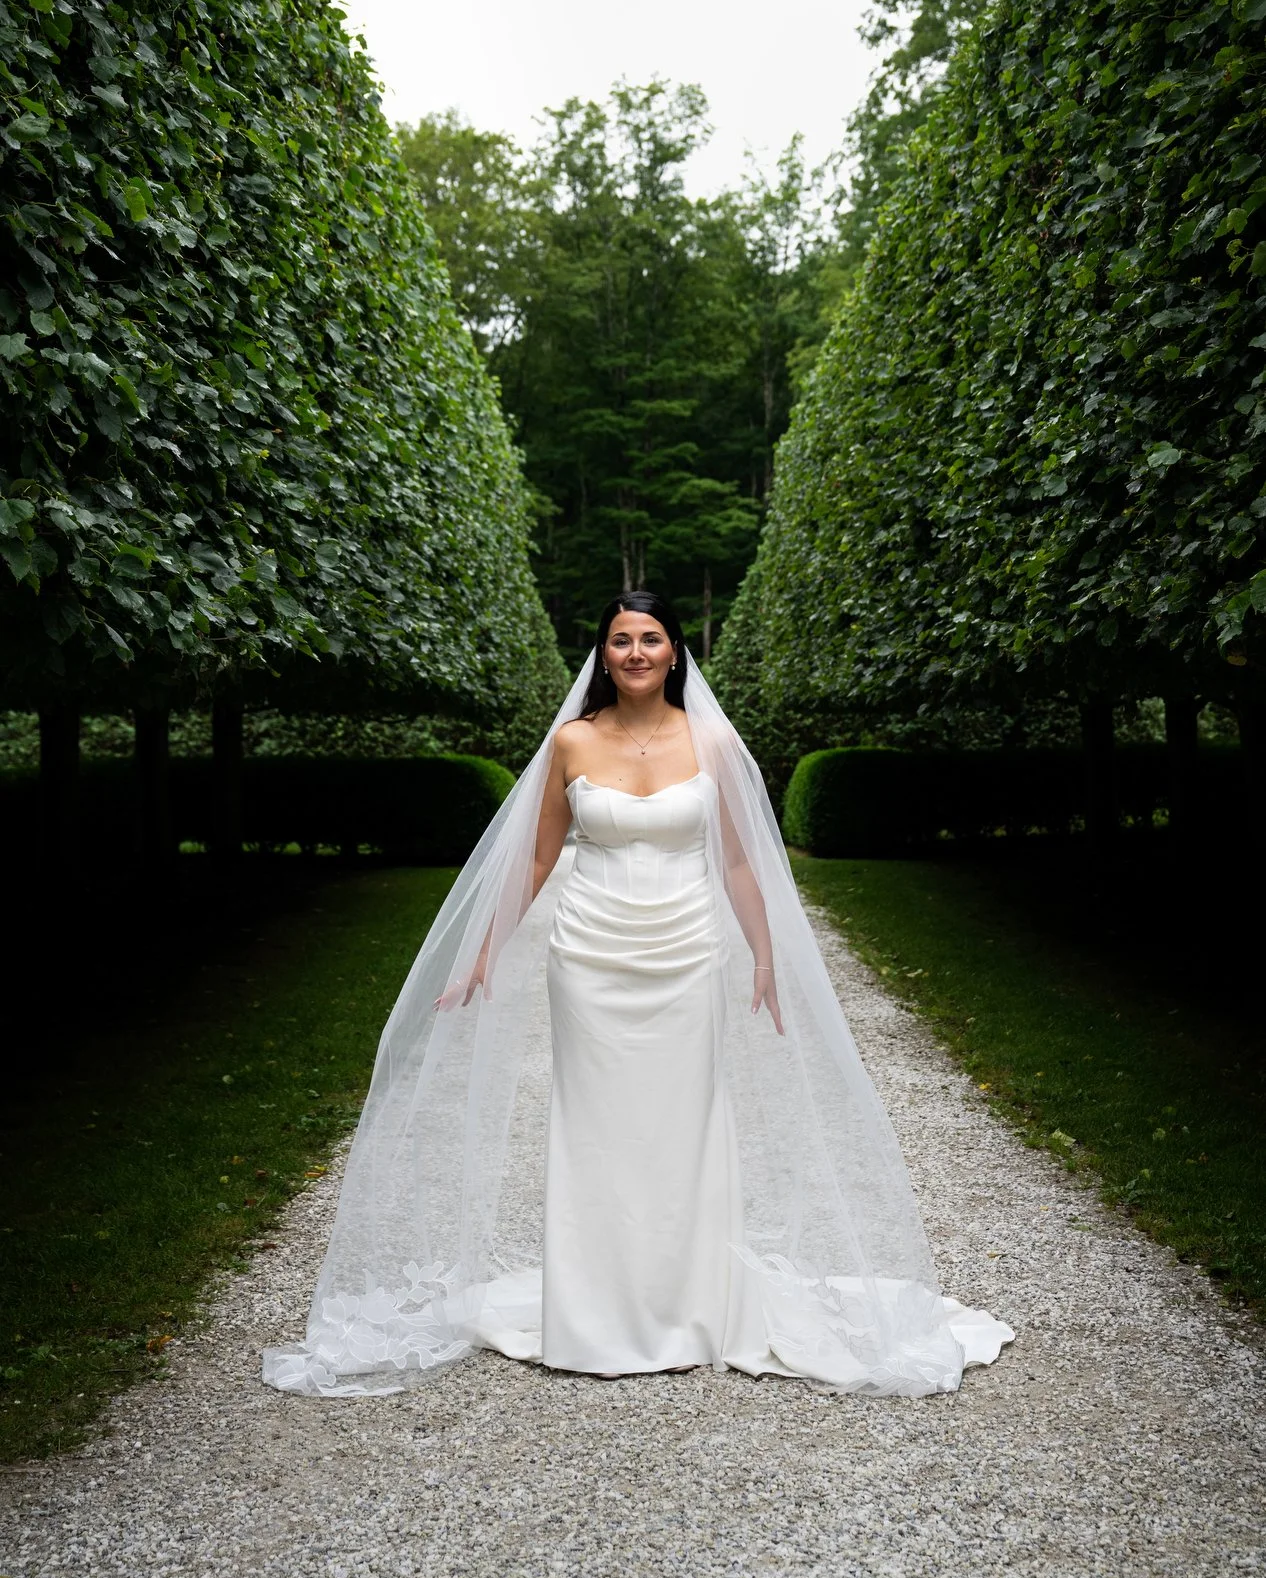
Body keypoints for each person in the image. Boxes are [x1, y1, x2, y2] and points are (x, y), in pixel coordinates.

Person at [264, 592, 1012, 1396]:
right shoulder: (571, 742)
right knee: (597, 1128)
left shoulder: (714, 740)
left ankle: (691, 1310)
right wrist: (485, 950)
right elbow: (539, 858)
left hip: (687, 951)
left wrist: (763, 955)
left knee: (683, 1127)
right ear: (602, 654)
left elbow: (733, 861)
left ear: (675, 651)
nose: (635, 652)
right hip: (588, 956)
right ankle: (593, 1315)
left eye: (650, 638)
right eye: (620, 639)